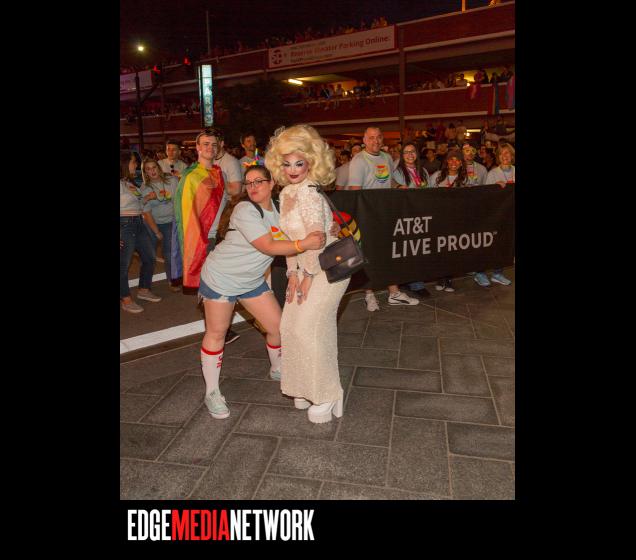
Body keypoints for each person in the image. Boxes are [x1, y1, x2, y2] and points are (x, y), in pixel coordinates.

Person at [198, 165, 327, 419]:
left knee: (278, 327)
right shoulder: (245, 209)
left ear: (271, 184)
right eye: (249, 183)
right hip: (221, 278)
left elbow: (302, 228)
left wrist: (326, 230)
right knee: (217, 333)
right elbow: (268, 246)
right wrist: (305, 243)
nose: (253, 187)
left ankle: (277, 368)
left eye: (259, 181)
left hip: (251, 280)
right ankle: (211, 392)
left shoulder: (281, 210)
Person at [265, 124, 349, 424]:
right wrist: (292, 273)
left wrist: (307, 275)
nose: (292, 170)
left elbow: (318, 239)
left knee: (311, 329)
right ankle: (303, 386)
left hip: (326, 269)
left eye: (298, 163)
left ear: (311, 162)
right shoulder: (287, 192)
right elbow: (290, 241)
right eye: (286, 164)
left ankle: (327, 394)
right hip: (303, 269)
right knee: (290, 327)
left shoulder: (311, 193)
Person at [347, 126, 418, 311]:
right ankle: (369, 295)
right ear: (364, 140)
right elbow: (355, 193)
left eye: (378, 137)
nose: (375, 141)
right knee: (369, 255)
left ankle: (394, 293)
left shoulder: (386, 158)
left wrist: (399, 187)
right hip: (367, 216)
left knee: (388, 253)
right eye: (371, 137)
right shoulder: (359, 160)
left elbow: (389, 181)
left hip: (385, 214)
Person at [120, 152, 162, 313]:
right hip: (124, 225)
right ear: (124, 163)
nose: (136, 165)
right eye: (133, 162)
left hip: (138, 222)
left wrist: (146, 199)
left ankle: (144, 289)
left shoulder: (128, 183)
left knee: (149, 257)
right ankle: (125, 299)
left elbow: (136, 204)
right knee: (123, 265)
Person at [392, 142, 432, 298]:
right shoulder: (397, 172)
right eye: (406, 152)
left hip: (422, 215)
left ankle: (415, 281)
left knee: (419, 249)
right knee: (408, 249)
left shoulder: (423, 171)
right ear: (402, 156)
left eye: (413, 151)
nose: (410, 155)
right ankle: (413, 282)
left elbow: (429, 191)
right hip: (406, 217)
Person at [430, 148, 469, 292]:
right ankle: (440, 278)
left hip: (456, 221)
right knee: (439, 250)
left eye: (457, 160)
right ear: (446, 161)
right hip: (438, 220)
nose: (454, 162)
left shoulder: (465, 179)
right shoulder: (436, 176)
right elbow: (426, 195)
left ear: (461, 163)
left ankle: (448, 279)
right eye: (451, 159)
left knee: (452, 251)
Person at [139, 158, 181, 292]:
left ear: (159, 168)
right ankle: (144, 287)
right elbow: (146, 212)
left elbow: (179, 201)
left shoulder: (172, 181)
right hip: (151, 223)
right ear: (145, 172)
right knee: (149, 256)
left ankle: (172, 280)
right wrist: (156, 231)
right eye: (148, 169)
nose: (152, 171)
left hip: (170, 222)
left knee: (169, 254)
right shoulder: (145, 188)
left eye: (154, 167)